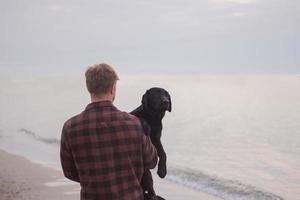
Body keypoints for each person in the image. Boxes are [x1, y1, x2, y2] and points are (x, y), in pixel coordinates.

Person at [60, 63, 158, 200]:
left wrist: (95, 179)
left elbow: (69, 172)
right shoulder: (135, 124)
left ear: (89, 89)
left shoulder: (70, 127)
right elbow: (152, 161)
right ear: (113, 88)